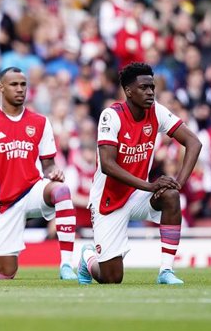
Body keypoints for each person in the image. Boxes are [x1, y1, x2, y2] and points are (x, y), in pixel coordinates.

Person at [78, 62, 202, 285]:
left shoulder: (156, 111)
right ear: (128, 91)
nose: (150, 92)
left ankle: (166, 271)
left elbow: (194, 142)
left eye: (152, 87)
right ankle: (88, 258)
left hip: (137, 194)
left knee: (172, 197)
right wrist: (150, 186)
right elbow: (107, 165)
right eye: (144, 88)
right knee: (111, 278)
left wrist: (178, 183)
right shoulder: (111, 115)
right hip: (109, 199)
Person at [0, 67, 78, 281]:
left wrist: (53, 172)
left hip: (33, 190)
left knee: (62, 190)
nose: (20, 89)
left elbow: (48, 165)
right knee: (5, 273)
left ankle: (67, 264)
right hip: (5, 204)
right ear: (1, 88)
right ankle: (0, 257)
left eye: (23, 84)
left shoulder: (41, 122)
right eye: (14, 84)